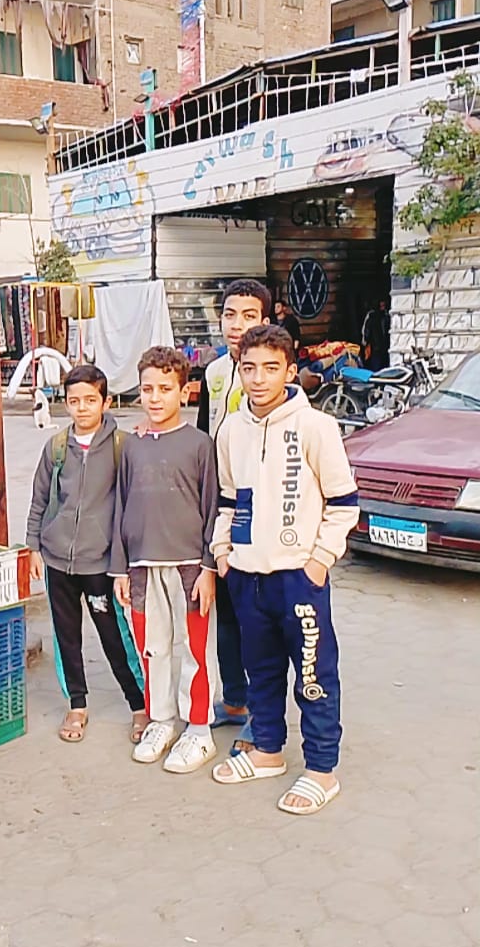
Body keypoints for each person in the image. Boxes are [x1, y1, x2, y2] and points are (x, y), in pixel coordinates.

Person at [211, 325, 359, 815]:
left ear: (290, 371)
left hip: (299, 579)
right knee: (262, 673)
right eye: (249, 368)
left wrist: (319, 561)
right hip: (246, 577)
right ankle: (268, 751)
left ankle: (321, 770)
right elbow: (229, 499)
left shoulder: (316, 427)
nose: (258, 379)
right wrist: (223, 553)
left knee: (314, 676)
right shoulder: (230, 430)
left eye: (271, 368)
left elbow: (344, 504)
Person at [26, 364, 146, 744]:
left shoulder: (122, 447)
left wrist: (124, 562)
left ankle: (139, 704)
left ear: (105, 402)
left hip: (100, 562)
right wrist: (33, 546)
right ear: (65, 403)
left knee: (114, 635)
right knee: (66, 636)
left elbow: (132, 505)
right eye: (74, 401)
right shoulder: (57, 447)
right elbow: (40, 499)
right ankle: (76, 704)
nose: (82, 408)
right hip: (57, 559)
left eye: (90, 400)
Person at [112, 346, 218, 774]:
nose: (155, 398)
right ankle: (161, 720)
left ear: (184, 392)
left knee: (195, 649)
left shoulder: (200, 445)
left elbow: (213, 508)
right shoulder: (131, 445)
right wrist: (119, 567)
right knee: (152, 648)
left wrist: (209, 567)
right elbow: (120, 505)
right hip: (141, 566)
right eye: (148, 389)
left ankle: (199, 729)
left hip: (189, 565)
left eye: (165, 389)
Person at [197, 278, 272, 753]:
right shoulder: (214, 372)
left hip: (259, 512)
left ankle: (263, 717)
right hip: (220, 505)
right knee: (224, 611)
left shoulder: (271, 377)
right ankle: (236, 701)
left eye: (248, 316)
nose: (236, 324)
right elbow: (203, 436)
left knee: (256, 618)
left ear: (265, 320)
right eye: (229, 314)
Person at [361, 299, 390, 371]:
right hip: (376, 345)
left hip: (381, 346)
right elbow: (366, 330)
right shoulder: (372, 315)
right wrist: (365, 341)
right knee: (377, 364)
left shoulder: (386, 315)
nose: (383, 307)